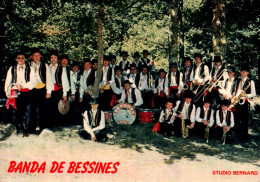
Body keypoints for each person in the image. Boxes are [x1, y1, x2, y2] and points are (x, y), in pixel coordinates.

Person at [4, 52, 36, 136]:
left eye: (22, 58)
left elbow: (33, 82)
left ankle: (27, 130)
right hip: (16, 92)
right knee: (18, 112)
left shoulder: (30, 69)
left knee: (28, 111)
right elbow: (8, 81)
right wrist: (7, 92)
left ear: (25, 59)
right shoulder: (12, 68)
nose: (21, 59)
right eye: (19, 58)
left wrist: (23, 85)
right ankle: (20, 129)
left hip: (28, 92)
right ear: (16, 59)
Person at [29, 48, 53, 133]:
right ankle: (31, 128)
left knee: (43, 110)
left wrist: (48, 91)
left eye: (38, 56)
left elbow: (49, 78)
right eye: (35, 56)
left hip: (42, 89)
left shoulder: (44, 65)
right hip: (31, 89)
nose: (36, 57)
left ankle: (43, 128)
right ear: (31, 57)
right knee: (32, 110)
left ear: (40, 56)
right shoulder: (28, 65)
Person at [234, 65, 256, 141]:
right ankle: (237, 135)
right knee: (237, 118)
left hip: (245, 102)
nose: (243, 73)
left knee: (244, 120)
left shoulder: (251, 81)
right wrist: (235, 98)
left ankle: (244, 137)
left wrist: (246, 95)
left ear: (247, 72)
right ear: (240, 72)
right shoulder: (238, 81)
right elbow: (236, 91)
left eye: (245, 72)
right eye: (242, 72)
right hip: (238, 101)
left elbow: (254, 94)